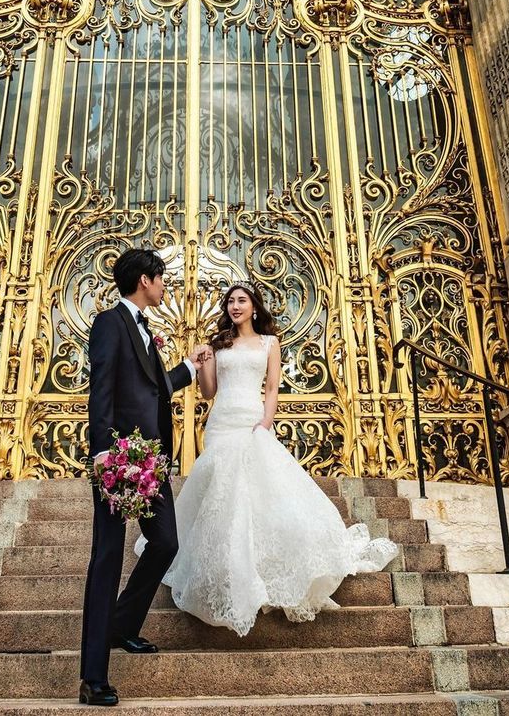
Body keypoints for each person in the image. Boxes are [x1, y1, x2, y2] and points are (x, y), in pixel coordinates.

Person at [157, 282, 398, 636]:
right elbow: (209, 392)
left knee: (255, 490)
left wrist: (266, 422)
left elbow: (272, 387)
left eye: (242, 300)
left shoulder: (270, 343)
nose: (235, 306)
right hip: (222, 422)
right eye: (230, 302)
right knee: (223, 490)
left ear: (254, 307)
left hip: (252, 419)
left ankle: (258, 565)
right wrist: (204, 362)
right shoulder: (219, 344)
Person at [79, 248, 212, 707]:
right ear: (144, 280)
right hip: (117, 458)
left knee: (166, 542)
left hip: (151, 461)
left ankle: (121, 625)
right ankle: (93, 676)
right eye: (161, 279)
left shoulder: (144, 329)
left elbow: (154, 387)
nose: (164, 287)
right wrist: (102, 451)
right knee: (107, 557)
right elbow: (102, 388)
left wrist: (190, 367)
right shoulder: (109, 324)